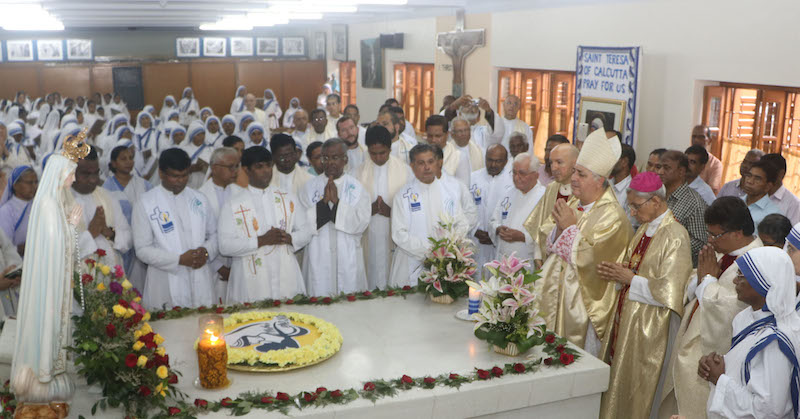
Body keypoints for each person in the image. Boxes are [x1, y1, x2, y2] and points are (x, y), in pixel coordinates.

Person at [597, 172, 693, 419]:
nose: (631, 212)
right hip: (629, 319)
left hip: (652, 327)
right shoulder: (644, 229)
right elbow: (632, 268)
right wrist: (618, 274)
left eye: (636, 206)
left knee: (640, 386)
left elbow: (671, 290)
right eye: (629, 205)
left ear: (656, 202)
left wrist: (630, 279)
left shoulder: (675, 235)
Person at [659, 196, 762, 419]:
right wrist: (701, 279)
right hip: (691, 337)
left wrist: (706, 279)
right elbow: (693, 280)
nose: (710, 240)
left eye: (715, 235)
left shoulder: (756, 263)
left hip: (711, 352)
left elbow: (729, 310)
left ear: (737, 233)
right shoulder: (722, 251)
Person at [536, 129, 633, 357]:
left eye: (580, 174)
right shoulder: (573, 201)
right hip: (555, 296)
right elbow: (546, 234)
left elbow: (592, 260)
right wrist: (559, 229)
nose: (573, 179)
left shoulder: (613, 216)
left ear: (599, 180)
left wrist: (568, 229)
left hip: (583, 308)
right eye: (575, 172)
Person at [11, 134, 88, 409]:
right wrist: (71, 224)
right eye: (71, 175)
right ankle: (41, 377)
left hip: (55, 282)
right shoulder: (47, 206)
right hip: (48, 285)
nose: (74, 180)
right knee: (47, 329)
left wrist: (69, 223)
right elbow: (54, 247)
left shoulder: (54, 203)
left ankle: (51, 375)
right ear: (59, 174)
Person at [699, 247, 800, 418]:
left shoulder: (774, 342)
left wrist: (720, 379)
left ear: (762, 282)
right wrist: (715, 366)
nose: (734, 281)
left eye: (741, 276)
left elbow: (768, 411)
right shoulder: (747, 318)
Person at [219, 146, 311, 303]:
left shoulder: (287, 197)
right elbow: (225, 246)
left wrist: (289, 238)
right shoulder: (233, 205)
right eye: (259, 167)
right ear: (246, 170)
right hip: (250, 280)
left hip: (286, 274)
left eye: (269, 165)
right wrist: (261, 240)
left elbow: (306, 231)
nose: (266, 170)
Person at [133, 148, 218, 310]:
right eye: (175, 176)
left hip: (200, 276)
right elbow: (142, 249)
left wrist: (206, 252)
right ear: (161, 173)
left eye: (185, 175)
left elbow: (214, 235)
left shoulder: (199, 199)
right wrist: (178, 259)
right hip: (165, 279)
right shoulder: (146, 203)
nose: (180, 181)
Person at [389, 144, 471, 288]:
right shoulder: (402, 196)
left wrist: (447, 250)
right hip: (411, 262)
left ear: (437, 163)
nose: (427, 167)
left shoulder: (449, 192)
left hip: (444, 265)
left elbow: (462, 224)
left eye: (430, 162)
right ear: (412, 166)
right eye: (421, 163)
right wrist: (430, 252)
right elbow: (398, 234)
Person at [300, 138, 370, 295]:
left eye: (335, 157)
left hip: (348, 255)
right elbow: (303, 224)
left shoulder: (357, 188)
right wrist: (323, 203)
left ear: (345, 159)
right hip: (318, 254)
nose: (329, 162)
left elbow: (362, 223)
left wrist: (337, 203)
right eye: (325, 158)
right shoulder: (309, 188)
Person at [357, 126, 411, 289]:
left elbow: (413, 208)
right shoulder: (357, 173)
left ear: (390, 148)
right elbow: (350, 209)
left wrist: (392, 212)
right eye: (373, 153)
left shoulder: (406, 172)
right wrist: (369, 210)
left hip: (393, 235)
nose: (378, 157)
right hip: (368, 234)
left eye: (383, 152)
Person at [102, 143, 153, 290]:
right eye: (123, 159)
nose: (129, 162)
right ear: (113, 163)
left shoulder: (144, 185)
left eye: (131, 158)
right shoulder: (107, 188)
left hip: (142, 242)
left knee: (141, 286)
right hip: (119, 244)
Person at [71, 147, 132, 265]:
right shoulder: (60, 202)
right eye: (86, 174)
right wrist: (91, 233)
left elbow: (129, 238)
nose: (93, 180)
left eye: (96, 173)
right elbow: (58, 251)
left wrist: (110, 233)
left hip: (110, 276)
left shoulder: (107, 197)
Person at [523, 143, 579, 267]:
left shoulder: (581, 193)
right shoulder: (551, 188)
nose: (554, 167)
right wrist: (538, 255)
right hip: (547, 261)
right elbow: (540, 224)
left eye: (559, 162)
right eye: (551, 162)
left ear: (575, 164)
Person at [199, 147, 239, 303]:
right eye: (231, 167)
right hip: (212, 267)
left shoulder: (240, 193)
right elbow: (200, 237)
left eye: (237, 166)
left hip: (237, 265)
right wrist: (219, 267)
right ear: (214, 168)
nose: (235, 171)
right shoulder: (200, 196)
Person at [489, 152, 546, 262]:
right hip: (502, 259)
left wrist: (523, 237)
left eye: (522, 173)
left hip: (527, 261)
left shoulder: (544, 197)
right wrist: (498, 228)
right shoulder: (508, 193)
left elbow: (547, 234)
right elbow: (493, 220)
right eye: (514, 173)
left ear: (536, 175)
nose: (516, 177)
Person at [657, 150, 708, 266]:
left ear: (681, 171)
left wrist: (668, 249)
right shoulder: (657, 196)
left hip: (679, 267)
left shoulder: (694, 203)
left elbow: (700, 242)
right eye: (659, 167)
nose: (660, 172)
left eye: (666, 168)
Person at [470, 144, 513, 277]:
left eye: (498, 161)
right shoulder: (472, 178)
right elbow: (464, 209)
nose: (493, 164)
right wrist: (474, 230)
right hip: (475, 239)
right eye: (490, 160)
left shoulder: (512, 182)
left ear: (506, 161)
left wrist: (494, 233)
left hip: (499, 243)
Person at [0, 166, 36, 256]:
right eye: (29, 183)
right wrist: (33, 245)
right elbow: (6, 250)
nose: (34, 186)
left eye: (36, 182)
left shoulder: (38, 206)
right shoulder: (6, 211)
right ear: (15, 185)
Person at [425, 115, 469, 185]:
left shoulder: (459, 157)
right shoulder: (419, 156)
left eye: (438, 136)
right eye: (430, 136)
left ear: (447, 135)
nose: (433, 140)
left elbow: (463, 188)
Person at [761, 153, 800, 225]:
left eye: (767, 172)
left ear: (780, 174)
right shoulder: (753, 195)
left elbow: (792, 234)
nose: (762, 176)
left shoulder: (794, 204)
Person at [742, 159, 782, 229]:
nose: (750, 181)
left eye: (757, 179)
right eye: (749, 175)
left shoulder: (773, 214)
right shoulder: (735, 203)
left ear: (768, 186)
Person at [611, 144, 637, 227]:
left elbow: (629, 226)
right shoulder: (605, 184)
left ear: (624, 162)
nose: (608, 162)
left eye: (612, 158)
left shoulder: (632, 191)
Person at [691, 125, 723, 194]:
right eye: (694, 137)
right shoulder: (683, 159)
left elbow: (712, 189)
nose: (696, 140)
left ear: (709, 140)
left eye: (701, 137)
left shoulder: (715, 164)